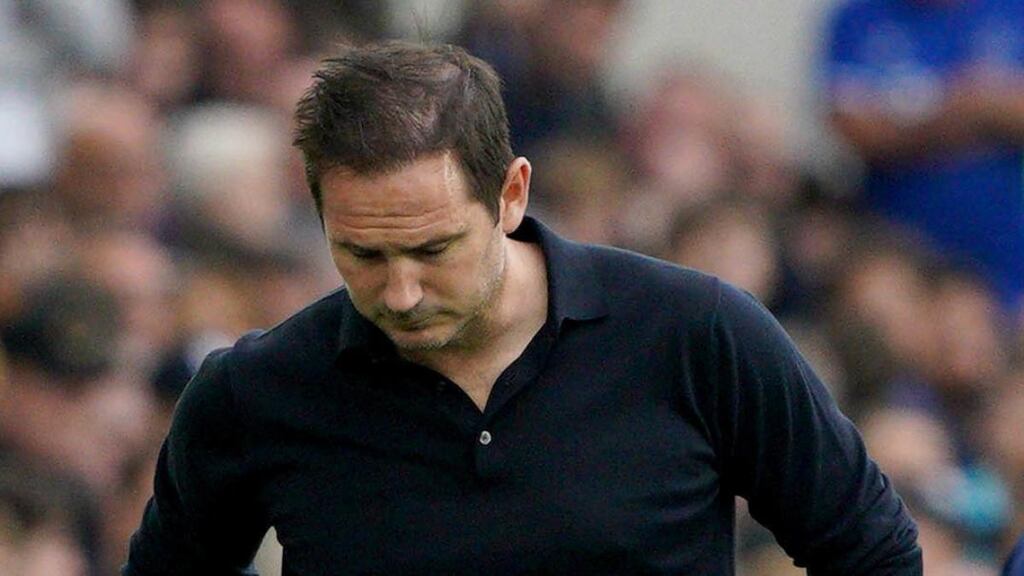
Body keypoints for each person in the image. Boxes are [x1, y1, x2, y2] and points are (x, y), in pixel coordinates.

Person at [123, 41, 921, 574]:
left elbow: (872, 554)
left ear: (511, 193)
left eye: (434, 250)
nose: (399, 294)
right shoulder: (257, 393)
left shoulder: (696, 333)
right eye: (362, 254)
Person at [824, 0, 1024, 314]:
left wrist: (923, 116)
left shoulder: (1013, 11)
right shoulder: (860, 17)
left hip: (1008, 250)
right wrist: (966, 111)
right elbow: (854, 127)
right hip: (901, 244)